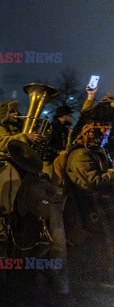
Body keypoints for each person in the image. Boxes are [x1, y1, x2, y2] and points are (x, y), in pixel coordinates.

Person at [63, 101, 114, 283]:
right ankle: (94, 276)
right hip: (87, 210)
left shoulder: (99, 151)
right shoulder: (80, 155)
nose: (107, 134)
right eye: (104, 130)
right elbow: (91, 183)